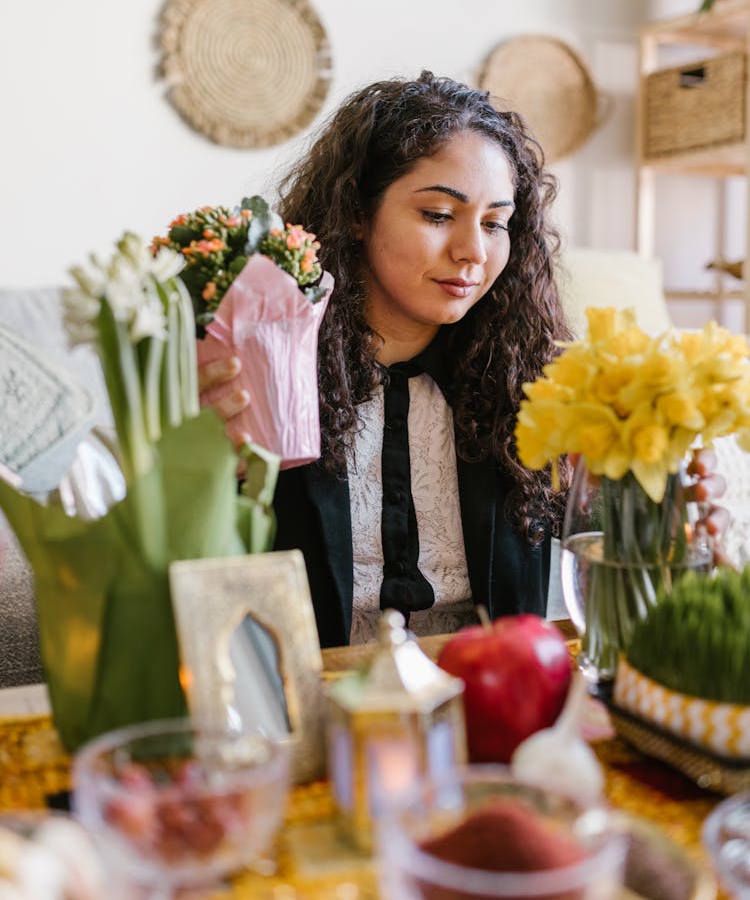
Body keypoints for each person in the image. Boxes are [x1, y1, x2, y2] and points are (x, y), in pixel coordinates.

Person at [198, 71, 728, 648]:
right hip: (317, 703)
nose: (473, 251)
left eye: (495, 223)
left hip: (502, 695)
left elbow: (612, 559)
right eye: (438, 215)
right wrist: (200, 469)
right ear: (356, 211)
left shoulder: (534, 383)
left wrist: (657, 520)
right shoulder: (262, 371)